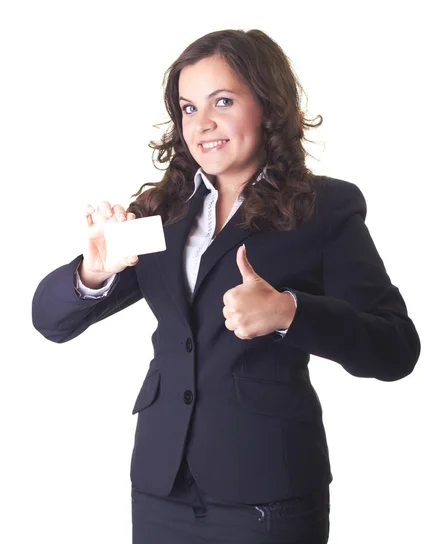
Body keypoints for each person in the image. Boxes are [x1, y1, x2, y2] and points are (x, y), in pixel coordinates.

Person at [31, 29, 420, 544]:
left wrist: (289, 313)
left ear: (267, 104)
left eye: (224, 101)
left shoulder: (323, 209)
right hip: (160, 488)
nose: (203, 124)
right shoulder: (162, 214)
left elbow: (396, 348)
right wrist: (95, 271)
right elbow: (50, 320)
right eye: (189, 109)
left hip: (267, 494)